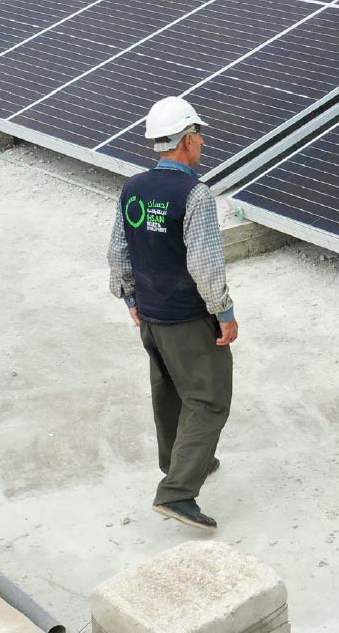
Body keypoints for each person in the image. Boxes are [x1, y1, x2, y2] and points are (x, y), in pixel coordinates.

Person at [109, 95, 237, 531]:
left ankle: (180, 461)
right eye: (198, 134)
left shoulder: (134, 188)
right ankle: (178, 493)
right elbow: (204, 263)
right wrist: (224, 312)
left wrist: (129, 298)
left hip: (151, 316)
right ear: (186, 139)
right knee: (209, 398)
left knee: (169, 391)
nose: (202, 142)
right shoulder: (194, 194)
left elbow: (117, 251)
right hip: (187, 317)